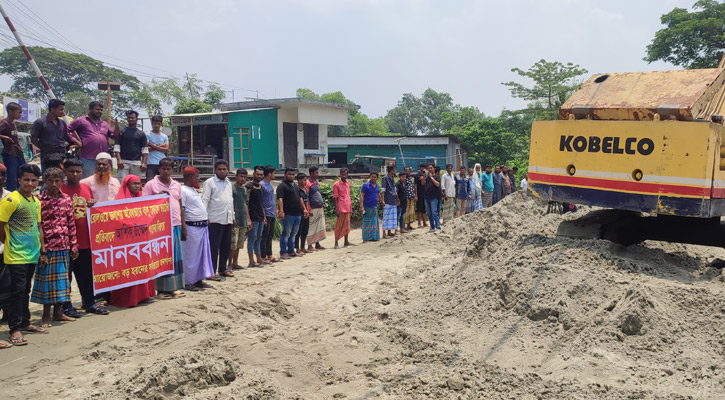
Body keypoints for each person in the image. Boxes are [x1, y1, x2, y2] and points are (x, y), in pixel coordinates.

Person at [0, 164, 47, 346]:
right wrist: (9, 244)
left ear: (37, 182)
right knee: (17, 291)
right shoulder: (11, 200)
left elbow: (39, 227)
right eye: (26, 179)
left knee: (26, 289)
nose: (29, 183)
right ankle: (14, 328)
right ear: (18, 180)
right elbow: (1, 226)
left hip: (32, 254)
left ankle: (25, 322)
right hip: (15, 256)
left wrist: (42, 251)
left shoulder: (35, 202)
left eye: (33, 180)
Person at [31, 167, 77, 327]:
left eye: (57, 181)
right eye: (50, 181)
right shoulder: (39, 201)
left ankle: (59, 312)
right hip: (48, 247)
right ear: (45, 182)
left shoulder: (66, 200)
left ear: (61, 182)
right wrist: (42, 250)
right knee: (47, 282)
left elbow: (71, 223)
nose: (54, 184)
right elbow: (38, 227)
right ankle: (45, 315)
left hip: (64, 246)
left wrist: (74, 245)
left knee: (62, 282)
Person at [60, 159, 106, 316]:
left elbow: (91, 210)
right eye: (71, 171)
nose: (75, 174)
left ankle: (89, 302)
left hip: (85, 240)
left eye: (78, 171)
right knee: (65, 276)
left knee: (86, 274)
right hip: (65, 242)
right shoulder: (58, 188)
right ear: (65, 172)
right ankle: (65, 305)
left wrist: (92, 204)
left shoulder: (86, 188)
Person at [108, 175, 157, 307]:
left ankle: (144, 295)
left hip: (141, 241)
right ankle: (128, 298)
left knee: (143, 267)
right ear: (126, 185)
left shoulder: (142, 200)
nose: (136, 186)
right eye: (133, 184)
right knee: (129, 269)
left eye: (138, 184)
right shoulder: (120, 201)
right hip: (127, 242)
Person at [143, 158, 186, 299]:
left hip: (176, 224)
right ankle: (161, 290)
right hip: (160, 227)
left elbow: (180, 205)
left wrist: (183, 226)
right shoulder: (151, 184)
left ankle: (174, 287)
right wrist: (157, 197)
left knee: (175, 258)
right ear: (159, 169)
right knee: (163, 258)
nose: (166, 171)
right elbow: (143, 205)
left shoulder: (176, 185)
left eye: (168, 169)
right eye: (163, 168)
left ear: (172, 170)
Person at [180, 167, 214, 290]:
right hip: (191, 228)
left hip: (202, 228)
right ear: (190, 177)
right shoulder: (183, 190)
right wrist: (183, 228)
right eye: (196, 176)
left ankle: (198, 279)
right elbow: (181, 210)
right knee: (191, 257)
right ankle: (188, 282)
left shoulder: (193, 190)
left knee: (201, 256)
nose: (198, 179)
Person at [67, 101, 120, 177]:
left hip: (103, 159)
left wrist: (116, 126)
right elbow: (66, 131)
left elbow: (114, 136)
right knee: (88, 182)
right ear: (90, 109)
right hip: (87, 158)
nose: (99, 111)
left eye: (101, 110)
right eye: (97, 109)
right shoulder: (81, 120)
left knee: (104, 182)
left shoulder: (104, 124)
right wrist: (75, 141)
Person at [202, 160, 235, 279]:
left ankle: (223, 269)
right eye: (219, 169)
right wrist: (205, 218)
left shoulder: (228, 183)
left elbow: (230, 201)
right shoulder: (209, 183)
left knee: (226, 246)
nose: (222, 171)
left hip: (227, 219)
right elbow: (205, 200)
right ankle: (211, 271)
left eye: (224, 169)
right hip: (215, 220)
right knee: (213, 248)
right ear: (215, 170)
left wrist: (233, 217)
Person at [30, 99, 81, 172]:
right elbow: (34, 139)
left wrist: (75, 141)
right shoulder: (40, 122)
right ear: (52, 109)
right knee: (48, 176)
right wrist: (44, 147)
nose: (62, 112)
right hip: (47, 156)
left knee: (60, 176)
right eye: (61, 109)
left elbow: (66, 135)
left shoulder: (62, 123)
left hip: (61, 155)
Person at [277, 168, 307, 259]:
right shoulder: (282, 186)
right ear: (285, 175)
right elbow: (280, 199)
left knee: (293, 234)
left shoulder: (295, 186)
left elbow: (300, 198)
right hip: (288, 214)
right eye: (289, 174)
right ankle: (283, 252)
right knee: (286, 234)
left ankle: (291, 251)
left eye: (293, 174)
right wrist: (281, 211)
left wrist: (304, 209)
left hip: (297, 213)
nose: (291, 176)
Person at [114, 110, 148, 179]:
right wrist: (119, 160)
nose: (130, 119)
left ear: (137, 119)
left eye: (132, 118)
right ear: (127, 119)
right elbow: (117, 147)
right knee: (122, 183)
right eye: (129, 118)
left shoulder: (141, 134)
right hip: (123, 163)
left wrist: (144, 163)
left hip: (136, 163)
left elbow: (145, 150)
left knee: (135, 184)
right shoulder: (122, 132)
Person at [0, 102, 26, 191]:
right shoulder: (4, 123)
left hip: (17, 152)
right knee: (12, 175)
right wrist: (4, 137)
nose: (20, 114)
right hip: (10, 153)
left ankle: (21, 193)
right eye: (19, 112)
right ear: (10, 112)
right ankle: (11, 195)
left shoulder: (13, 123)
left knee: (23, 172)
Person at [228, 169, 249, 271]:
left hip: (243, 219)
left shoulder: (244, 190)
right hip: (235, 220)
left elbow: (246, 204)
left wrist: (248, 219)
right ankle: (229, 263)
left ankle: (236, 262)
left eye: (244, 177)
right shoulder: (232, 188)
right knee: (233, 243)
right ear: (236, 176)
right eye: (241, 176)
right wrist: (232, 218)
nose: (243, 179)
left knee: (239, 244)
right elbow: (229, 204)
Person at [245, 166, 266, 268]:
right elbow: (246, 204)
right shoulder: (248, 187)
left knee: (259, 238)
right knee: (251, 239)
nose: (259, 176)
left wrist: (264, 216)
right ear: (253, 174)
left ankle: (259, 258)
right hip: (252, 217)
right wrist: (248, 219)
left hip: (260, 217)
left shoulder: (261, 187)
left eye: (261, 174)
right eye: (257, 174)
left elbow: (261, 203)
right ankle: (251, 260)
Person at [260, 166, 280, 263]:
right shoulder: (262, 185)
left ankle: (270, 255)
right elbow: (261, 201)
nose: (274, 175)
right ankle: (263, 257)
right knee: (264, 236)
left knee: (270, 235)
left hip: (272, 213)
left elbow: (272, 199)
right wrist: (263, 215)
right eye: (274, 173)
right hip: (266, 213)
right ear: (269, 174)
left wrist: (275, 209)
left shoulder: (270, 184)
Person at [305, 166, 326, 251]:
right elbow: (307, 196)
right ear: (311, 173)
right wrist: (309, 208)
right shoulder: (307, 183)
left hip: (319, 207)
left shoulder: (317, 181)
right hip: (313, 207)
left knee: (319, 226)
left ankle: (317, 243)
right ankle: (310, 245)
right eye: (316, 172)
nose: (318, 174)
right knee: (312, 226)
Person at [332, 168, 352, 248]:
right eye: (342, 174)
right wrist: (336, 209)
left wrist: (350, 207)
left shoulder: (348, 183)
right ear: (340, 174)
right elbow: (335, 197)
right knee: (339, 226)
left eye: (345, 174)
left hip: (347, 206)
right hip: (341, 207)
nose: (344, 176)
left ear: (347, 175)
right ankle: (336, 242)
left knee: (347, 225)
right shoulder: (336, 185)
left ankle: (346, 241)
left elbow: (348, 196)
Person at [145, 115, 169, 181]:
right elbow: (146, 149)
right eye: (155, 124)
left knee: (163, 181)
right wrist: (161, 146)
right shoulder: (147, 135)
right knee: (150, 182)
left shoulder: (164, 136)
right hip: (150, 163)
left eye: (158, 124)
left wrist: (151, 144)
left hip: (162, 163)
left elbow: (166, 150)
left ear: (161, 124)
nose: (156, 126)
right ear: (152, 124)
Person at [359, 172, 380, 242]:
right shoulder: (365, 185)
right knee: (366, 223)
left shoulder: (377, 185)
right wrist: (361, 206)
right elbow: (362, 195)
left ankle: (373, 237)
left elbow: (378, 194)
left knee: (374, 222)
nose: (373, 178)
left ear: (377, 178)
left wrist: (382, 201)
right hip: (367, 206)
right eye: (372, 177)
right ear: (370, 177)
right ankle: (365, 238)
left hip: (374, 207)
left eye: (375, 177)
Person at [294, 173, 311, 256]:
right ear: (299, 180)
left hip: (306, 212)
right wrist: (304, 209)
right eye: (304, 180)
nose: (305, 182)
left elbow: (307, 200)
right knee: (299, 231)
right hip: (300, 211)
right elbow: (300, 200)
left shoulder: (305, 189)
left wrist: (309, 209)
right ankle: (297, 248)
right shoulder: (297, 189)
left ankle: (303, 247)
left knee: (305, 230)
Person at [380, 165, 398, 238]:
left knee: (392, 217)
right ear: (391, 170)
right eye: (394, 169)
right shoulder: (385, 178)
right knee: (386, 217)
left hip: (393, 200)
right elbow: (383, 190)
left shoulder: (392, 178)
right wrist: (383, 200)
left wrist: (397, 198)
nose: (395, 171)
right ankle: (384, 233)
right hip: (387, 200)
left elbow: (394, 189)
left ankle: (389, 231)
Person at [423, 164, 442, 233]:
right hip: (427, 197)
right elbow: (423, 183)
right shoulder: (427, 177)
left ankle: (438, 227)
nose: (430, 169)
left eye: (431, 168)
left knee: (434, 212)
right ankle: (432, 227)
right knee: (429, 213)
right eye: (429, 168)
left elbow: (437, 184)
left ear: (434, 168)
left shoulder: (436, 177)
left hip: (434, 197)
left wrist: (431, 178)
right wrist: (424, 176)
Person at [414, 163, 428, 229]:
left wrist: (425, 175)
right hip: (419, 194)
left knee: (424, 209)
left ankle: (425, 222)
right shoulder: (417, 175)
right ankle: (419, 223)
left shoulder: (427, 175)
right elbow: (415, 186)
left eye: (424, 167)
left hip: (425, 194)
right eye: (422, 167)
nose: (423, 169)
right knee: (419, 209)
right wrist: (416, 195)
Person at [403, 166, 416, 230]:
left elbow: (413, 187)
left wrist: (415, 195)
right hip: (406, 197)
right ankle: (403, 226)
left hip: (411, 197)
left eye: (408, 170)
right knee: (406, 211)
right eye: (406, 171)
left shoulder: (411, 178)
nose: (407, 172)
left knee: (411, 211)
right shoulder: (404, 179)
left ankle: (408, 225)